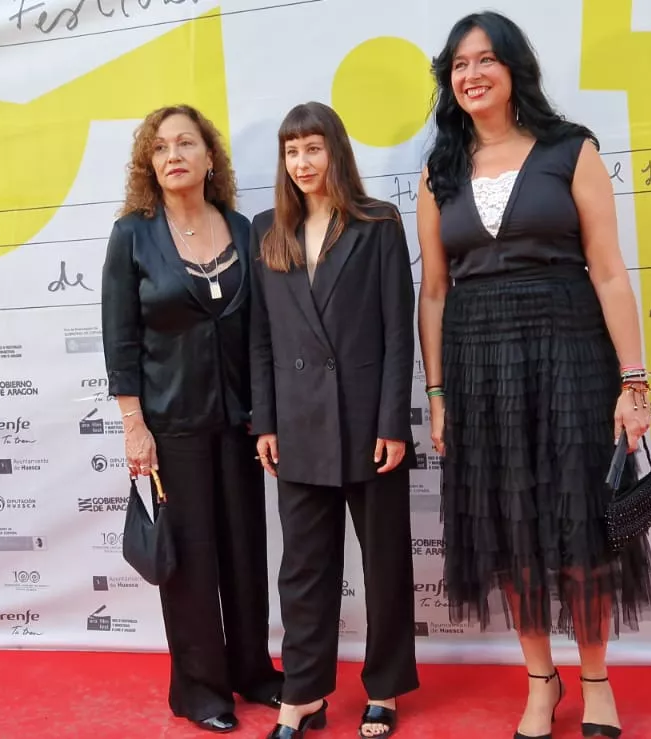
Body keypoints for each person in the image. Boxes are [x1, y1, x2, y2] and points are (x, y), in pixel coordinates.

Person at [415, 12, 651, 739]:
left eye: (487, 60)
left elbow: (609, 271)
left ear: (515, 67)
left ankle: (595, 678)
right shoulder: (440, 170)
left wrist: (633, 379)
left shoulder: (568, 149)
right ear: (448, 80)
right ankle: (540, 681)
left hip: (570, 352)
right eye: (459, 65)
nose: (472, 74)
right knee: (512, 529)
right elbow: (433, 289)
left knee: (582, 526)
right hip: (478, 363)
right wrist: (436, 393)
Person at [100, 105, 284, 733]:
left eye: (186, 143)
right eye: (159, 148)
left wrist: (266, 416)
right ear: (148, 165)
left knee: (244, 554)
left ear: (210, 157)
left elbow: (260, 332)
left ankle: (253, 672)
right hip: (169, 427)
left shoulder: (243, 228)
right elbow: (119, 340)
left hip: (239, 424)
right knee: (191, 563)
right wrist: (133, 425)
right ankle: (200, 689)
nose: (172, 154)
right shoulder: (133, 234)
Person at [248, 102, 419, 739]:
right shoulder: (268, 230)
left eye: (313, 149)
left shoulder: (378, 224)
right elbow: (260, 339)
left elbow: (397, 331)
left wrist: (393, 424)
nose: (303, 163)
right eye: (292, 152)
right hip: (297, 424)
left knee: (384, 564)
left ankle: (387, 689)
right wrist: (265, 420)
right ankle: (304, 694)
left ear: (336, 152)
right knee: (303, 569)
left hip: (369, 424)